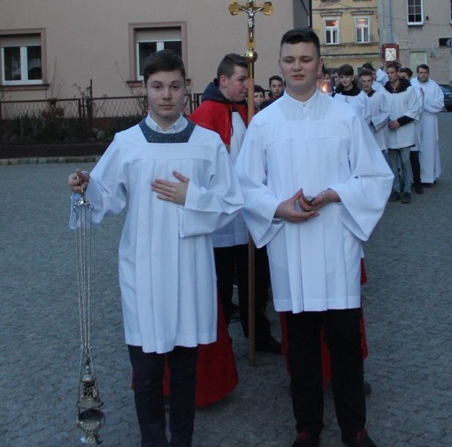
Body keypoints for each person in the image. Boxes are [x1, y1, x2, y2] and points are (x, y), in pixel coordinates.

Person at [67, 49, 243, 446]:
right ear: (144, 90)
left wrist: (192, 196)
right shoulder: (127, 142)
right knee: (146, 373)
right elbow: (105, 196)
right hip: (143, 270)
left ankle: (181, 440)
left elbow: (232, 203)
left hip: (190, 269)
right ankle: (152, 441)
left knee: (184, 370)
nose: (167, 95)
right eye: (158, 87)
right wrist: (85, 185)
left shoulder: (207, 143)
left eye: (175, 87)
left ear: (187, 89)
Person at [235, 28, 392, 447]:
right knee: (300, 346)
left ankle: (354, 429)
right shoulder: (264, 123)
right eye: (290, 60)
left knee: (344, 342)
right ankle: (307, 428)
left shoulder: (344, 117)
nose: (297, 67)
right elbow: (247, 185)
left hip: (336, 245)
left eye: (305, 59)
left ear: (319, 63)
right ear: (280, 65)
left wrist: (337, 193)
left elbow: (376, 176)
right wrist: (276, 208)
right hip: (291, 245)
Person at [189, 53, 281, 354]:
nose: (246, 87)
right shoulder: (203, 116)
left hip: (250, 213)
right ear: (224, 80)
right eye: (242, 80)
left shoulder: (248, 110)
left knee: (256, 279)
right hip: (221, 219)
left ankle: (258, 334)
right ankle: (220, 345)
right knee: (221, 285)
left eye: (249, 81)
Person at [385, 62, 421, 204]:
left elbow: (414, 109)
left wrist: (399, 122)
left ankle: (407, 190)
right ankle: (396, 189)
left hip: (404, 130)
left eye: (392, 73)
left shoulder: (408, 89)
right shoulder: (385, 90)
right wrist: (388, 121)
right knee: (393, 163)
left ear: (398, 72)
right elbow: (382, 108)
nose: (390, 75)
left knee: (405, 161)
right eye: (388, 73)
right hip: (390, 131)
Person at [413, 64, 445, 186]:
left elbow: (440, 104)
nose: (423, 75)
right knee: (416, 148)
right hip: (416, 120)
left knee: (429, 147)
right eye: (421, 72)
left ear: (428, 73)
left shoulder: (434, 86)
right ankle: (415, 177)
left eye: (425, 72)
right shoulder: (412, 84)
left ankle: (428, 177)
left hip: (429, 120)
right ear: (417, 73)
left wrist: (423, 100)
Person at [399, 67, 424, 194]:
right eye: (401, 76)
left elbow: (417, 109)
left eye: (405, 77)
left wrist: (403, 119)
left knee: (413, 157)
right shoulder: (396, 90)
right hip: (399, 128)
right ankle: (403, 182)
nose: (402, 79)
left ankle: (418, 183)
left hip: (411, 126)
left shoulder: (415, 90)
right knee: (402, 159)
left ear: (409, 77)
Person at [359, 68, 390, 159]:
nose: (366, 84)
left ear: (372, 81)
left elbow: (386, 113)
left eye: (368, 81)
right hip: (363, 135)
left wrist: (373, 122)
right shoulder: (357, 97)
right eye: (364, 81)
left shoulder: (379, 96)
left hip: (378, 135)